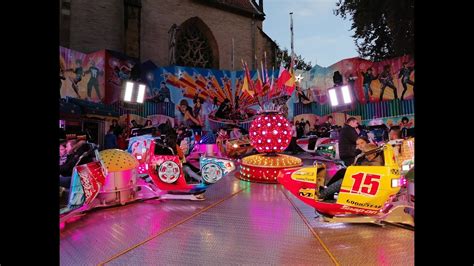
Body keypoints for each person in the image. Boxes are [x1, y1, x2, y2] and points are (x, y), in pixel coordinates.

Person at [319, 143, 383, 201]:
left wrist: (354, 168)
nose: (366, 157)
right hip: (361, 176)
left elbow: (368, 171)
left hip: (365, 180)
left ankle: (324, 193)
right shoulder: (372, 157)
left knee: (343, 180)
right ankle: (327, 191)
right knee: (342, 172)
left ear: (374, 154)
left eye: (367, 155)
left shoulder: (376, 163)